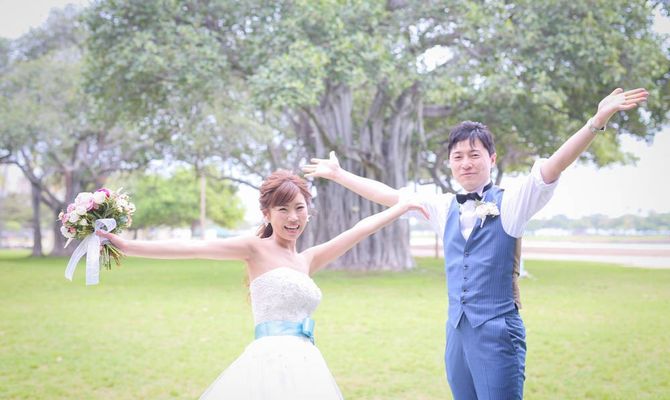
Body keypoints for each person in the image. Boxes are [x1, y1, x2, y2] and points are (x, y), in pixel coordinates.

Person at [302, 88, 648, 400]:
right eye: (458, 156)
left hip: (498, 332)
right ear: (449, 163)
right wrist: (339, 175)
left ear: (492, 159)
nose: (465, 163)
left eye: (474, 154)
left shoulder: (512, 202)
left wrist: (596, 122)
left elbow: (553, 166)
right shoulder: (442, 207)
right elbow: (391, 196)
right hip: (457, 333)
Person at [97, 169, 427, 400]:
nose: (293, 217)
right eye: (283, 209)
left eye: (299, 208)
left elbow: (359, 230)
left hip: (307, 363)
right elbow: (192, 247)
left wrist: (400, 207)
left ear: (309, 212)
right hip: (268, 362)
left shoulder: (308, 260)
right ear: (267, 214)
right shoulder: (253, 249)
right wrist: (127, 246)